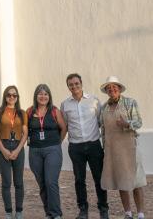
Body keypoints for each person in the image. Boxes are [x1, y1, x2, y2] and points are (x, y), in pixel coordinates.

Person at [61, 73, 109, 219]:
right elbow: (65, 125)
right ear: (68, 87)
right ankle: (83, 209)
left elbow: (101, 121)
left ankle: (103, 208)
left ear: (81, 84)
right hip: (76, 148)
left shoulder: (94, 100)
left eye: (76, 83)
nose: (74, 86)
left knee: (99, 177)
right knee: (79, 179)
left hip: (94, 144)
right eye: (71, 84)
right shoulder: (65, 104)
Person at [99, 76, 146, 219]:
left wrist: (127, 124)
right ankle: (128, 213)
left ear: (119, 89)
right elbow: (103, 129)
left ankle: (140, 214)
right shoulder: (104, 107)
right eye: (109, 88)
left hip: (130, 148)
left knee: (136, 181)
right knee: (121, 181)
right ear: (106, 91)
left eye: (114, 87)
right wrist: (104, 147)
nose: (112, 90)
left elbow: (139, 122)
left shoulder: (130, 102)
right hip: (113, 150)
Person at [27, 84, 67, 219]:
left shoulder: (55, 111)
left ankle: (56, 214)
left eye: (45, 94)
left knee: (51, 181)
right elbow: (25, 130)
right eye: (40, 94)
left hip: (52, 150)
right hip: (35, 151)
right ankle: (48, 213)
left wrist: (57, 143)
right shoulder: (29, 111)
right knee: (42, 183)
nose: (43, 96)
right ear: (36, 96)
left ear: (49, 96)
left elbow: (63, 128)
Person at [0, 85, 28, 219]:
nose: (11, 97)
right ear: (5, 97)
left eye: (14, 95)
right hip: (3, 145)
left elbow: (25, 134)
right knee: (6, 182)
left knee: (19, 182)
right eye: (9, 95)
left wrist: (18, 150)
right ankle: (8, 212)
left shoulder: (22, 113)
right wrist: (4, 150)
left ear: (17, 97)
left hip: (18, 146)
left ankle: (19, 211)